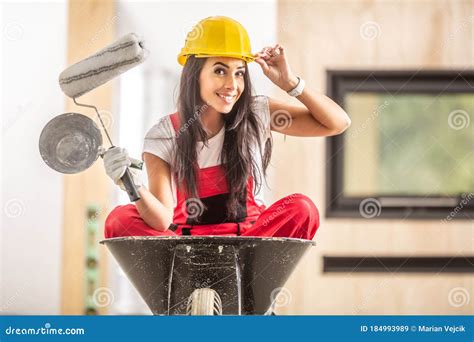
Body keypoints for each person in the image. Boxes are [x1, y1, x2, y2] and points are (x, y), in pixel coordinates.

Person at [103, 16, 351, 240]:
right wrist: (132, 185)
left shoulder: (256, 113)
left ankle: (253, 282)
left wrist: (291, 83)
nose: (232, 84)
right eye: (220, 70)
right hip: (186, 249)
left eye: (239, 73)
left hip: (251, 245)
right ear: (195, 74)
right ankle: (177, 282)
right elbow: (162, 219)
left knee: (302, 208)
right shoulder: (165, 134)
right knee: (119, 220)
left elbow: (338, 123)